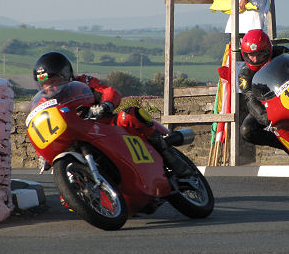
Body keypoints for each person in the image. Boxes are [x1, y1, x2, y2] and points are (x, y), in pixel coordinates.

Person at [32, 51, 191, 177]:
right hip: (75, 136)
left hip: (105, 126)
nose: (50, 87)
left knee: (130, 115)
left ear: (65, 74)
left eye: (53, 82)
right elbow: (41, 127)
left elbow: (108, 91)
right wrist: (42, 153)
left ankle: (168, 154)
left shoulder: (83, 82)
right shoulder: (43, 103)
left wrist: (105, 105)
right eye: (45, 84)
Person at [238, 29, 289, 165]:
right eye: (251, 55)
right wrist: (264, 117)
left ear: (268, 49)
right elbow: (250, 99)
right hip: (269, 104)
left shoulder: (281, 52)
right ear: (245, 55)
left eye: (260, 54)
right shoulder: (244, 75)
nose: (256, 59)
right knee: (247, 131)